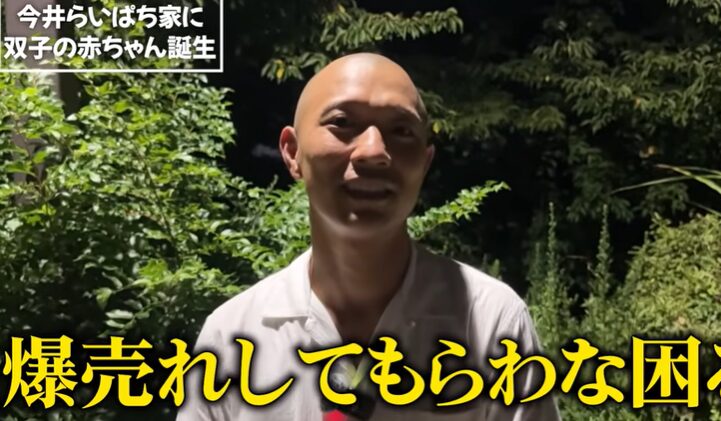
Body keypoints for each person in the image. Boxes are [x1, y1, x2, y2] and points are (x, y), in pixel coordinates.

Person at [176, 53, 561, 421]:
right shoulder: (233, 334)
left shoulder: (492, 320)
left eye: (401, 131)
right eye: (342, 122)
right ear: (293, 153)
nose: (374, 151)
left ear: (424, 162)